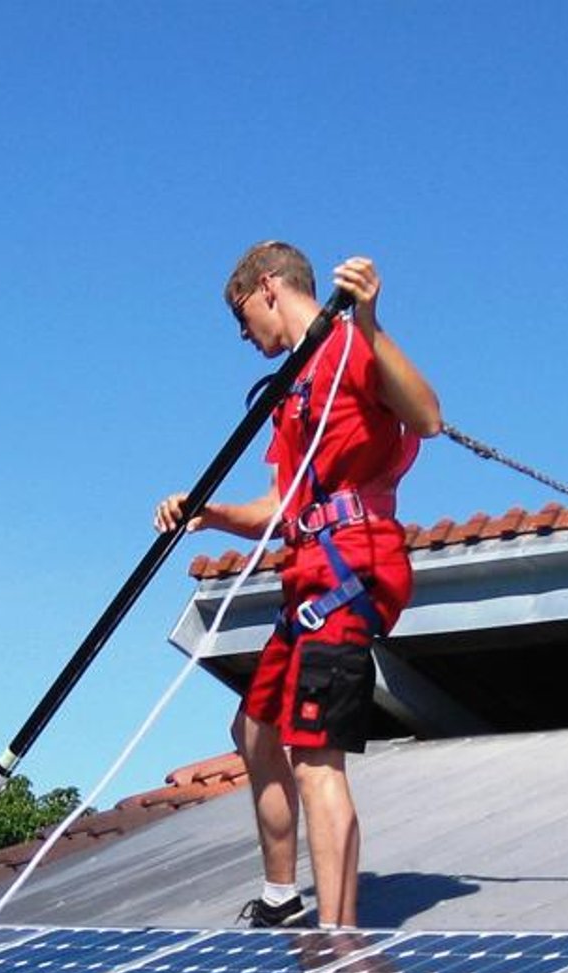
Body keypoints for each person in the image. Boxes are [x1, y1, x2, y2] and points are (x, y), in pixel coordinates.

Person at [155, 243, 441, 928]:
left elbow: (427, 418)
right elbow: (280, 505)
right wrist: (210, 513)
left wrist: (370, 319)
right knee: (254, 730)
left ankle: (338, 938)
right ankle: (282, 897)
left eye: (241, 316)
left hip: (351, 566)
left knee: (315, 756)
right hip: (306, 572)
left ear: (269, 288)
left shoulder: (349, 346)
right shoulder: (292, 389)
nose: (243, 335)